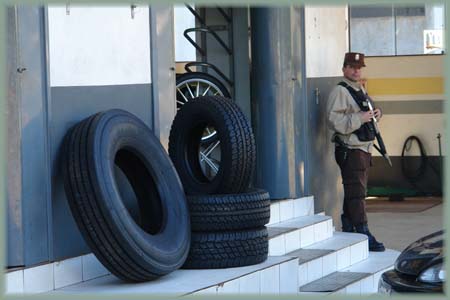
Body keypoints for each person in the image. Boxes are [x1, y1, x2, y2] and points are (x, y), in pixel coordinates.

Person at [326, 52, 385, 252]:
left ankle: (350, 225)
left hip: (362, 149)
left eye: (359, 67)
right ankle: (363, 231)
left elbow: (368, 112)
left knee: (354, 191)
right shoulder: (340, 91)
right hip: (350, 149)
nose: (356, 70)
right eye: (352, 67)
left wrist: (377, 113)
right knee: (357, 193)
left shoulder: (359, 89)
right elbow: (333, 121)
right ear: (344, 69)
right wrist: (360, 118)